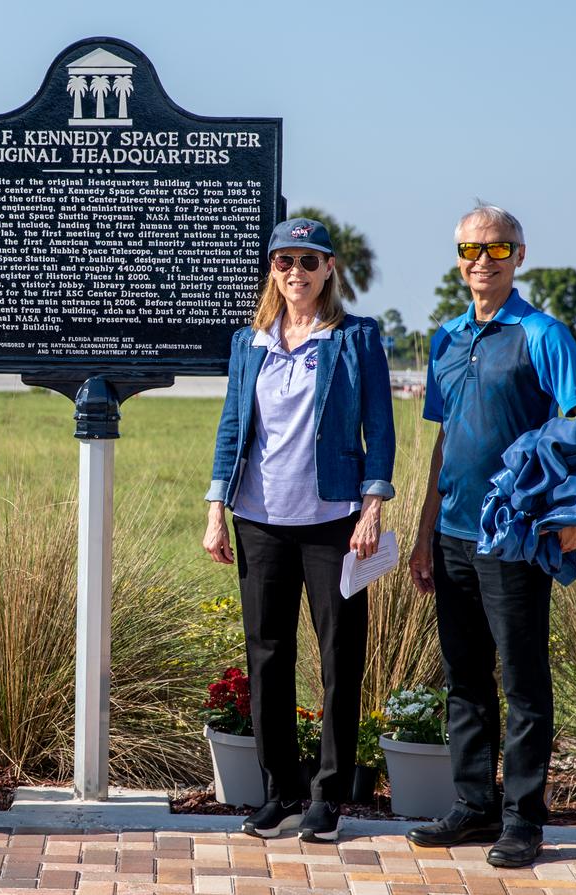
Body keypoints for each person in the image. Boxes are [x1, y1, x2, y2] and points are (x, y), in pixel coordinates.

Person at [407, 205, 576, 867]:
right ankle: (474, 806)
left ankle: (523, 819)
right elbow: (446, 443)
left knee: (522, 682)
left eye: (497, 250)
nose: (482, 261)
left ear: (518, 257)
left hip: (514, 537)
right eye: (471, 249)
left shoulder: (541, 333)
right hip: (451, 536)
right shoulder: (445, 339)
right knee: (464, 679)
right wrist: (421, 533)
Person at [203, 218, 396, 841]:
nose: (296, 273)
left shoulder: (354, 338)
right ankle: (280, 791)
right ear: (272, 269)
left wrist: (372, 509)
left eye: (308, 261)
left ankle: (328, 795)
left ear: (329, 269)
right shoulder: (249, 341)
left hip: (332, 521)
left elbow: (379, 430)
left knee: (340, 656)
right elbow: (233, 428)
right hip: (258, 520)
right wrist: (216, 510)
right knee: (266, 655)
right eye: (284, 261)